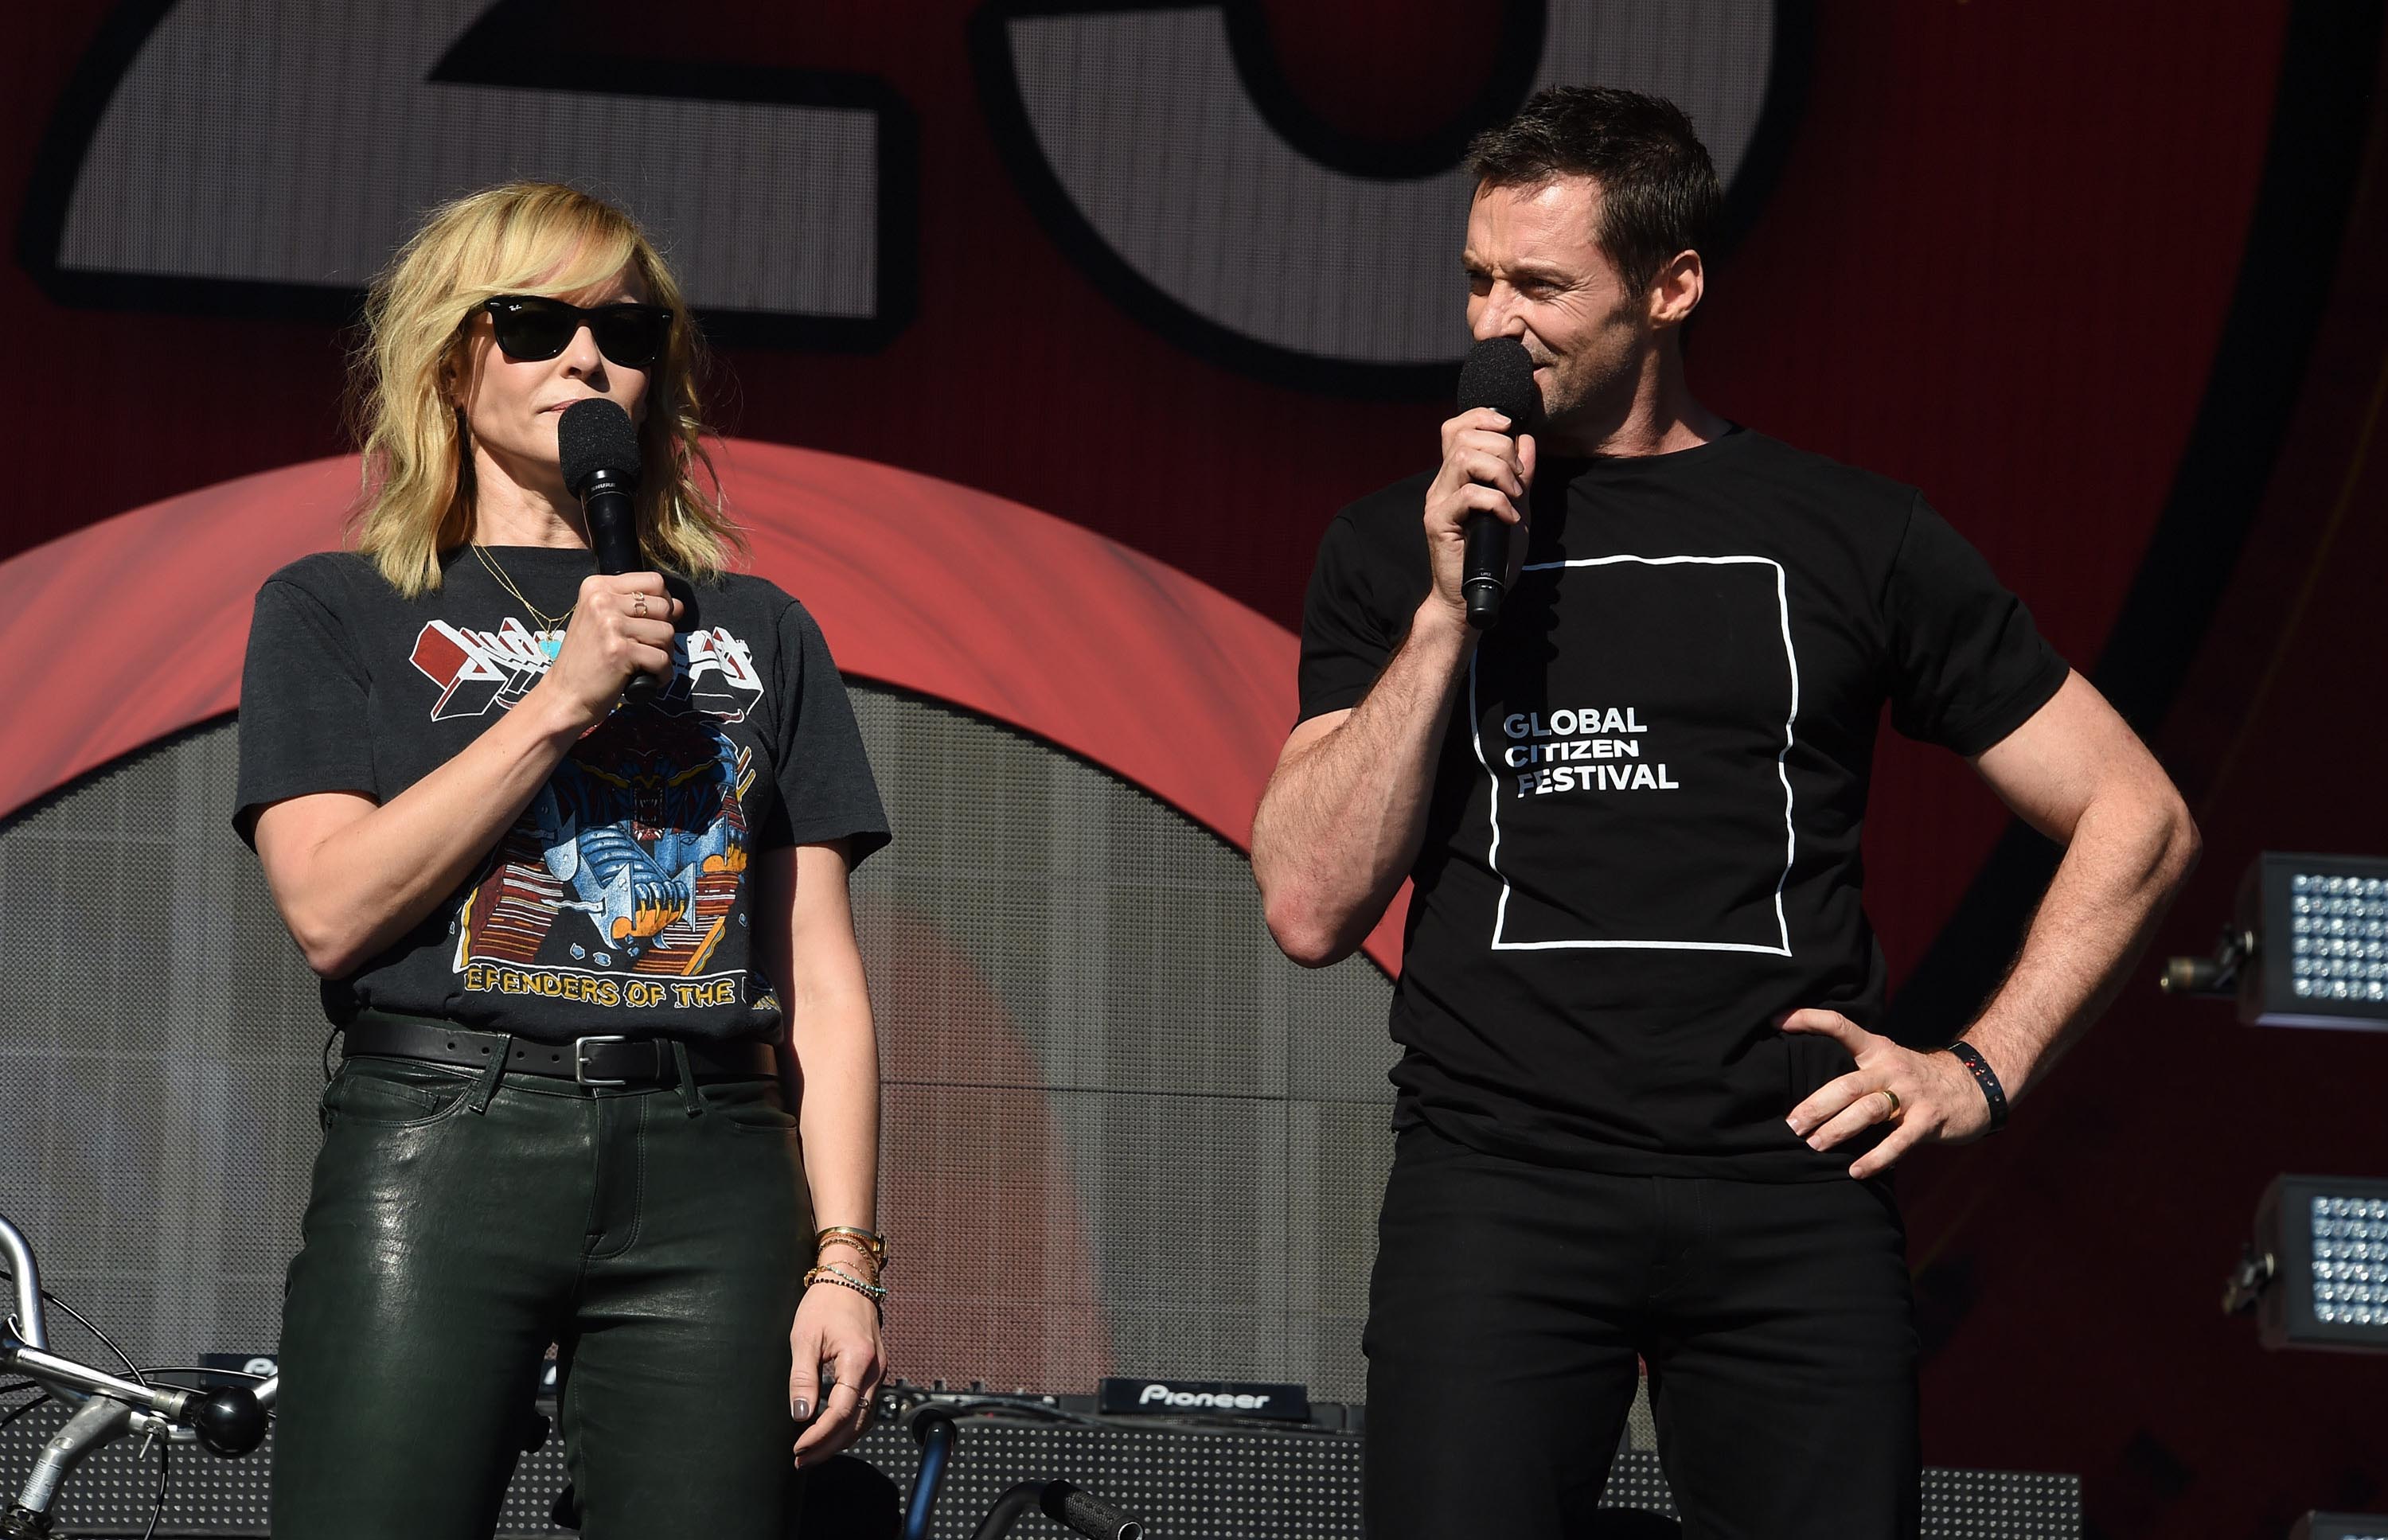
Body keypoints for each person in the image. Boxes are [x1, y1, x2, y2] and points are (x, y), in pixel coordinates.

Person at [1250, 88, 2200, 1538]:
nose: (1496, 324)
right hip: (1501, 1185)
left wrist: (1979, 1070)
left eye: (1543, 285)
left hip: (1784, 1194)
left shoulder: (1853, 534)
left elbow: (2137, 814)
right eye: (1478, 280)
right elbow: (1311, 906)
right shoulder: (1395, 543)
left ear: (1674, 286)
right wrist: (1447, 613)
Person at [234, 181, 892, 1539]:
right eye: (534, 323)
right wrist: (557, 700)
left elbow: (819, 976)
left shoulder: (760, 629)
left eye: (627, 332)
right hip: (446, 1135)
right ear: (449, 355)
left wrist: (846, 1262)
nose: (586, 359)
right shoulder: (336, 608)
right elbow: (328, 907)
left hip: (711, 1161)